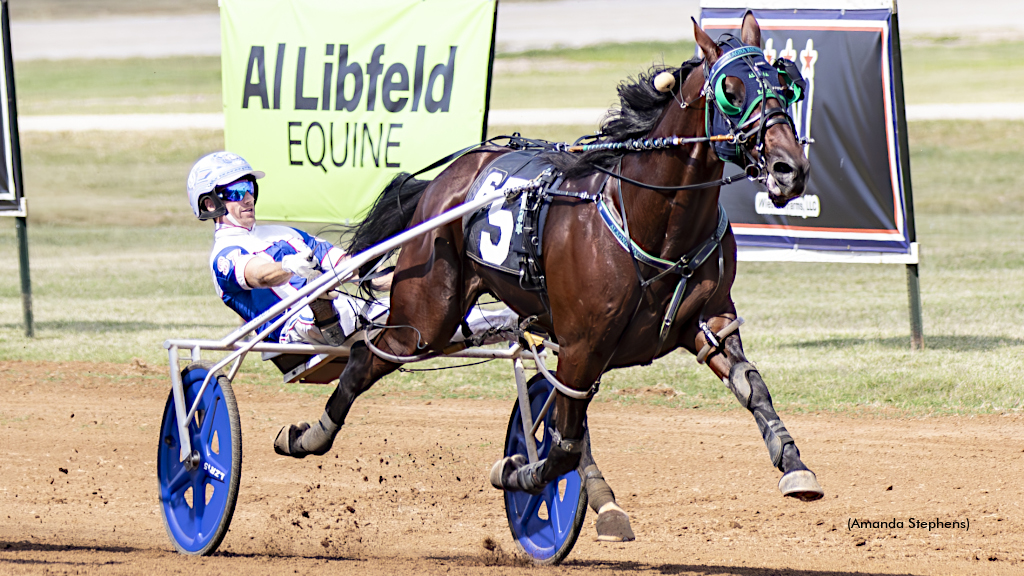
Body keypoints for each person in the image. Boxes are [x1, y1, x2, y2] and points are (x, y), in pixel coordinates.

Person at [186, 150, 518, 351]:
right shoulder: (225, 254)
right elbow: (257, 274)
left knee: (426, 311)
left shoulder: (285, 233)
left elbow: (353, 269)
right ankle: (323, 306)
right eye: (236, 190)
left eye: (250, 188)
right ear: (210, 203)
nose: (247, 197)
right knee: (330, 301)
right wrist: (291, 266)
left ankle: (514, 319)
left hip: (349, 312)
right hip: (295, 331)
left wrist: (412, 274)